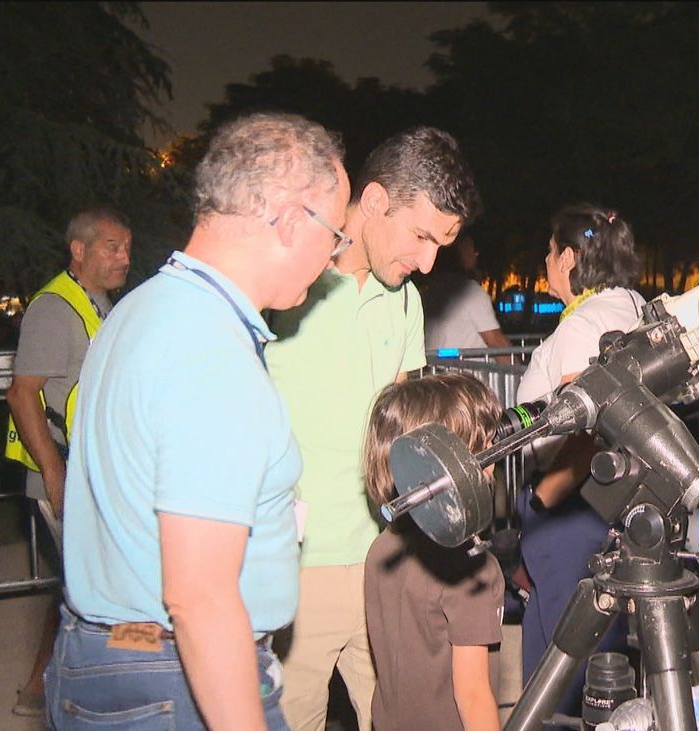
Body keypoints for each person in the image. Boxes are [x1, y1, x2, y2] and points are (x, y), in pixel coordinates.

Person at [45, 112, 351, 730]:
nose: (334, 258)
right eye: (336, 236)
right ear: (292, 221)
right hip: (173, 678)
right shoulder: (211, 352)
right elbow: (201, 598)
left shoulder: (144, 308)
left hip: (110, 656)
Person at [266, 126, 482, 731]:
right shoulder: (287, 286)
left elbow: (403, 428)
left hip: (385, 562)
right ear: (376, 201)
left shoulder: (405, 300)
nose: (429, 261)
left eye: (442, 243)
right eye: (420, 235)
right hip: (297, 566)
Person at [515, 203, 644, 723]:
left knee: (566, 660)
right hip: (611, 501)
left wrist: (543, 499)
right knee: (583, 644)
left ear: (568, 257)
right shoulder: (629, 304)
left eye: (550, 251)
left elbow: (586, 429)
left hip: (569, 508)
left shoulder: (582, 325)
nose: (546, 261)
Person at [5, 207, 131, 717]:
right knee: (97, 591)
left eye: (126, 246)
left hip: (88, 473)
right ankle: (96, 694)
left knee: (82, 587)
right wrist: (55, 476)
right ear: (77, 250)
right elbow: (21, 394)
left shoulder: (95, 302)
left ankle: (45, 687)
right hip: (63, 474)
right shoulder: (55, 308)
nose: (124, 256)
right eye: (111, 247)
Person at [363, 373, 505, 731]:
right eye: (485, 448)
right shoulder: (472, 570)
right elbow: (472, 696)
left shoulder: (383, 546)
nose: (493, 462)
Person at [422, 235, 513, 353]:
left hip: (435, 368)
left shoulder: (431, 290)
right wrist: (521, 369)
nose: (476, 255)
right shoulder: (470, 292)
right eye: (471, 250)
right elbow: (495, 340)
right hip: (467, 370)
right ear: (460, 254)